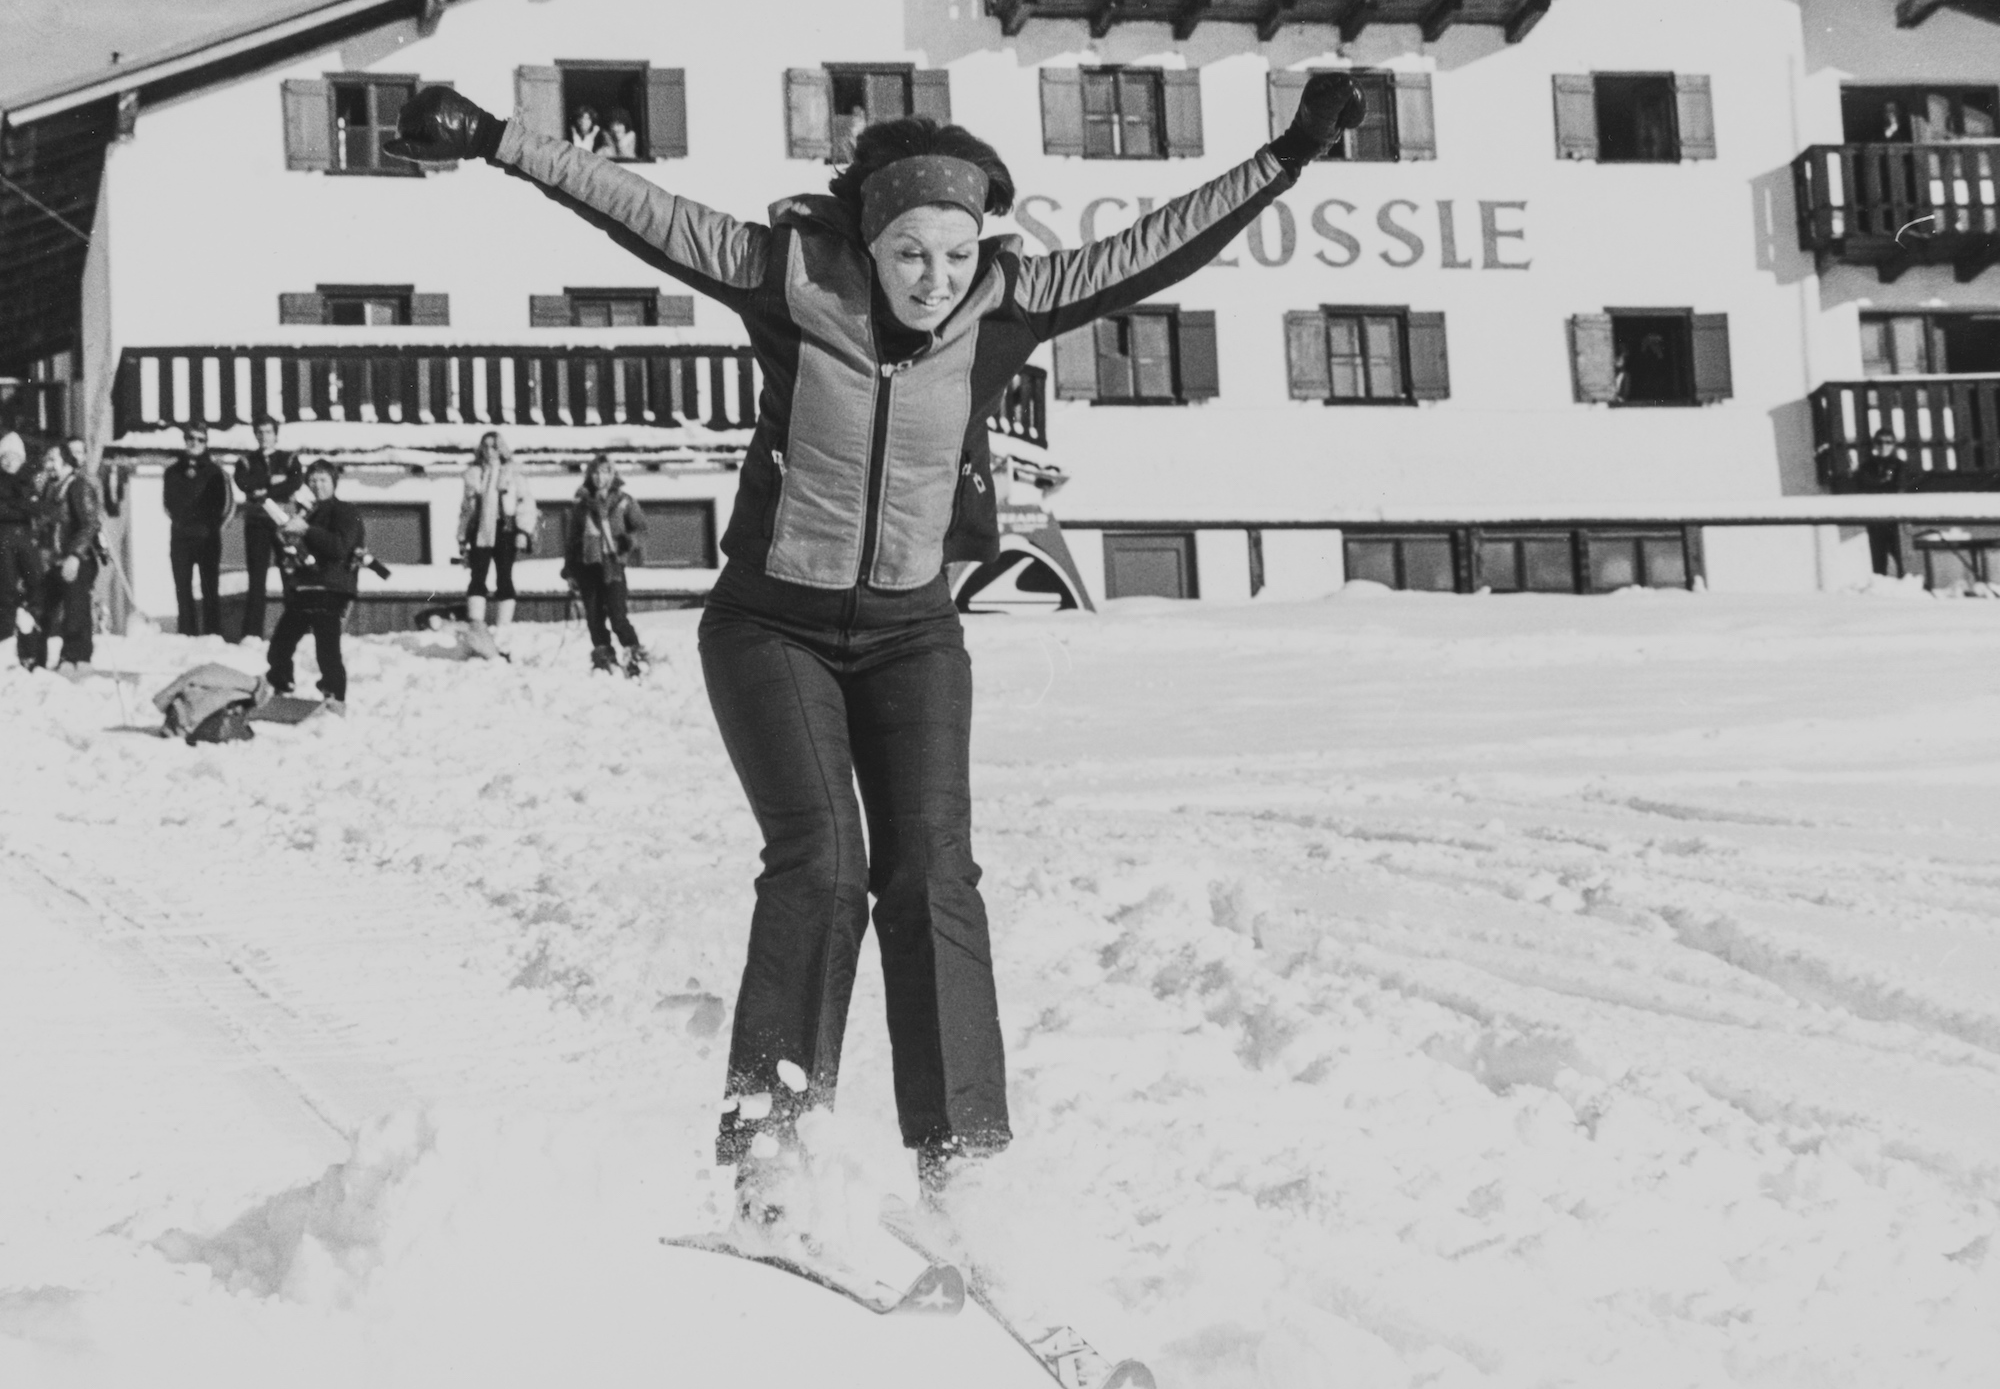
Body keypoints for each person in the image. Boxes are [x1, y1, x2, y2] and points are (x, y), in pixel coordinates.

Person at [387, 72, 1364, 1217]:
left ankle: (961, 1164)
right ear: (869, 238)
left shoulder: (1005, 303)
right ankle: (769, 1148)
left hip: (910, 633)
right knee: (821, 865)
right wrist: (496, 137)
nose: (934, 278)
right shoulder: (786, 278)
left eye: (954, 254)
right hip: (771, 626)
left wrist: (1287, 153)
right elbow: (633, 206)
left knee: (933, 876)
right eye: (909, 254)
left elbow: (1157, 246)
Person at [266, 458, 363, 711]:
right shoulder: (307, 512)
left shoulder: (345, 511)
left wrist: (307, 530)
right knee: (279, 646)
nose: (317, 485)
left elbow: (340, 547)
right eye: (313, 480)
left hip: (332, 588)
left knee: (326, 647)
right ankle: (282, 687)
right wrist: (286, 541)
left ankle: (335, 697)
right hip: (305, 587)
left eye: (323, 480)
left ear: (334, 482)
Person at [562, 452, 649, 676]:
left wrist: (629, 540)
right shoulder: (581, 504)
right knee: (594, 618)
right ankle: (604, 660)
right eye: (596, 473)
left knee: (618, 616)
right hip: (587, 565)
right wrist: (569, 570)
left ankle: (635, 656)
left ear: (612, 475)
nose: (600, 478)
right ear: (589, 476)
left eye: (605, 472)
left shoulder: (624, 500)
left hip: (613, 565)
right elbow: (571, 540)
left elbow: (642, 529)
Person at [20, 438, 103, 676]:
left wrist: (75, 555)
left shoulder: (78, 486)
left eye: (52, 459)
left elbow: (90, 524)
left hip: (77, 560)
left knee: (75, 610)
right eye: (46, 460)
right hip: (53, 561)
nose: (48, 465)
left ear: (66, 461)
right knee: (40, 607)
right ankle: (36, 659)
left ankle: (76, 658)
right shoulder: (48, 487)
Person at [457, 431, 537, 635]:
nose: (489, 451)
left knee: (504, 577)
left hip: (505, 530)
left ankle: (503, 628)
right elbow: (466, 509)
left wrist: (523, 531)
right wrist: (462, 536)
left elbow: (525, 504)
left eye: (493, 446)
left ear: (501, 449)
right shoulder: (474, 474)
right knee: (477, 577)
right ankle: (477, 626)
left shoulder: (513, 474)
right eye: (485, 446)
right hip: (480, 531)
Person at [231, 416, 302, 641]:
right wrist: (274, 482)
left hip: (284, 525)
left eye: (268, 432)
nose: (264, 436)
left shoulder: (289, 458)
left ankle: (297, 631)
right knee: (257, 579)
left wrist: (266, 489)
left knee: (291, 576)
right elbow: (242, 482)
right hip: (257, 524)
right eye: (260, 432)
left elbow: (295, 481)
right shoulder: (246, 460)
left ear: (276, 434)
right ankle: (252, 634)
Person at [164, 424, 230, 636]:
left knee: (210, 588)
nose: (195, 443)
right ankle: (187, 633)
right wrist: (184, 520)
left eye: (200, 439)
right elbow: (168, 504)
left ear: (206, 443)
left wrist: (208, 525)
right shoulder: (172, 471)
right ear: (185, 440)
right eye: (191, 438)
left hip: (207, 537)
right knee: (182, 589)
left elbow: (224, 506)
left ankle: (212, 634)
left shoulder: (216, 472)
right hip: (181, 537)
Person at [0, 430, 40, 667]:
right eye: (4, 456)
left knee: (36, 589)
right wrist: (20, 507)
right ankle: (5, 646)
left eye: (13, 456)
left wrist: (16, 506)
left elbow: (36, 509)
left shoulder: (29, 481)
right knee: (5, 593)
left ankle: (31, 647)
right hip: (3, 544)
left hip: (26, 542)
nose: (8, 461)